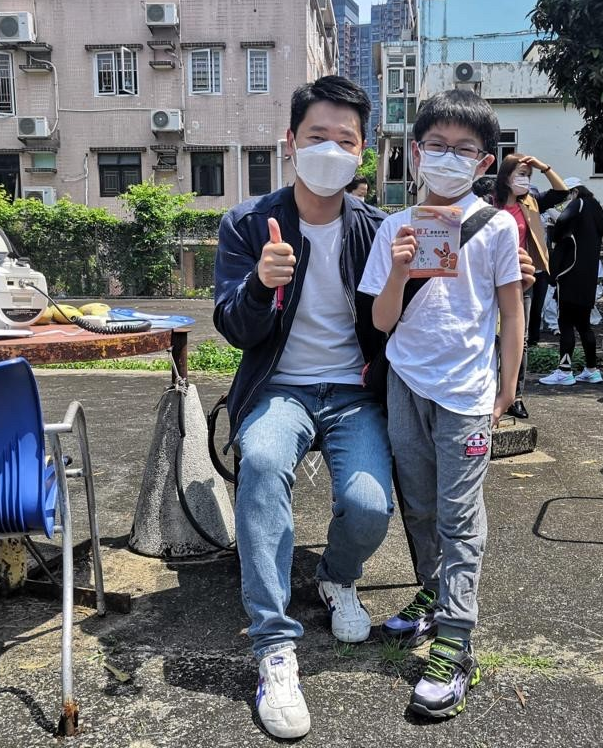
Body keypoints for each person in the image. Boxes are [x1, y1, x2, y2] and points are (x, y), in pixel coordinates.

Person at [214, 76, 536, 738]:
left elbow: (400, 315)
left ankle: (337, 578)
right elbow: (234, 327)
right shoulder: (248, 223)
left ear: (363, 150)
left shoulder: (376, 225)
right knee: (264, 464)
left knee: (370, 505)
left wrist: (502, 287)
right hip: (280, 389)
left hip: (358, 392)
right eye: (316, 136)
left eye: (345, 140)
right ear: (290, 141)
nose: (329, 150)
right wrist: (260, 285)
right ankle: (274, 645)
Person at [358, 88, 525, 720]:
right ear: (415, 151)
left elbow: (511, 312)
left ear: (485, 162)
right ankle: (432, 593)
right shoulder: (394, 227)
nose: (448, 157)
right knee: (421, 507)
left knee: (460, 517)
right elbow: (380, 321)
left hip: (465, 395)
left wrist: (508, 388)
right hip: (405, 384)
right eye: (437, 145)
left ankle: (455, 641)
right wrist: (400, 270)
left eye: (464, 149)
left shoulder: (498, 226)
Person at [493, 152, 570, 417]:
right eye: (520, 174)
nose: (525, 180)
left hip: (522, 278)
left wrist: (543, 166)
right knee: (490, 336)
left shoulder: (531, 202)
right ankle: (489, 390)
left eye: (528, 175)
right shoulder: (489, 204)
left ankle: (515, 396)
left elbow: (562, 192)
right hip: (490, 278)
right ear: (506, 176)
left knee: (520, 339)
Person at [540, 184, 603, 385]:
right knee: (584, 325)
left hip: (569, 274)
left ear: (575, 192)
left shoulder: (579, 203)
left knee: (566, 324)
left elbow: (561, 222)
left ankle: (564, 371)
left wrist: (556, 231)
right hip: (588, 278)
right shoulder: (596, 212)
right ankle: (591, 369)